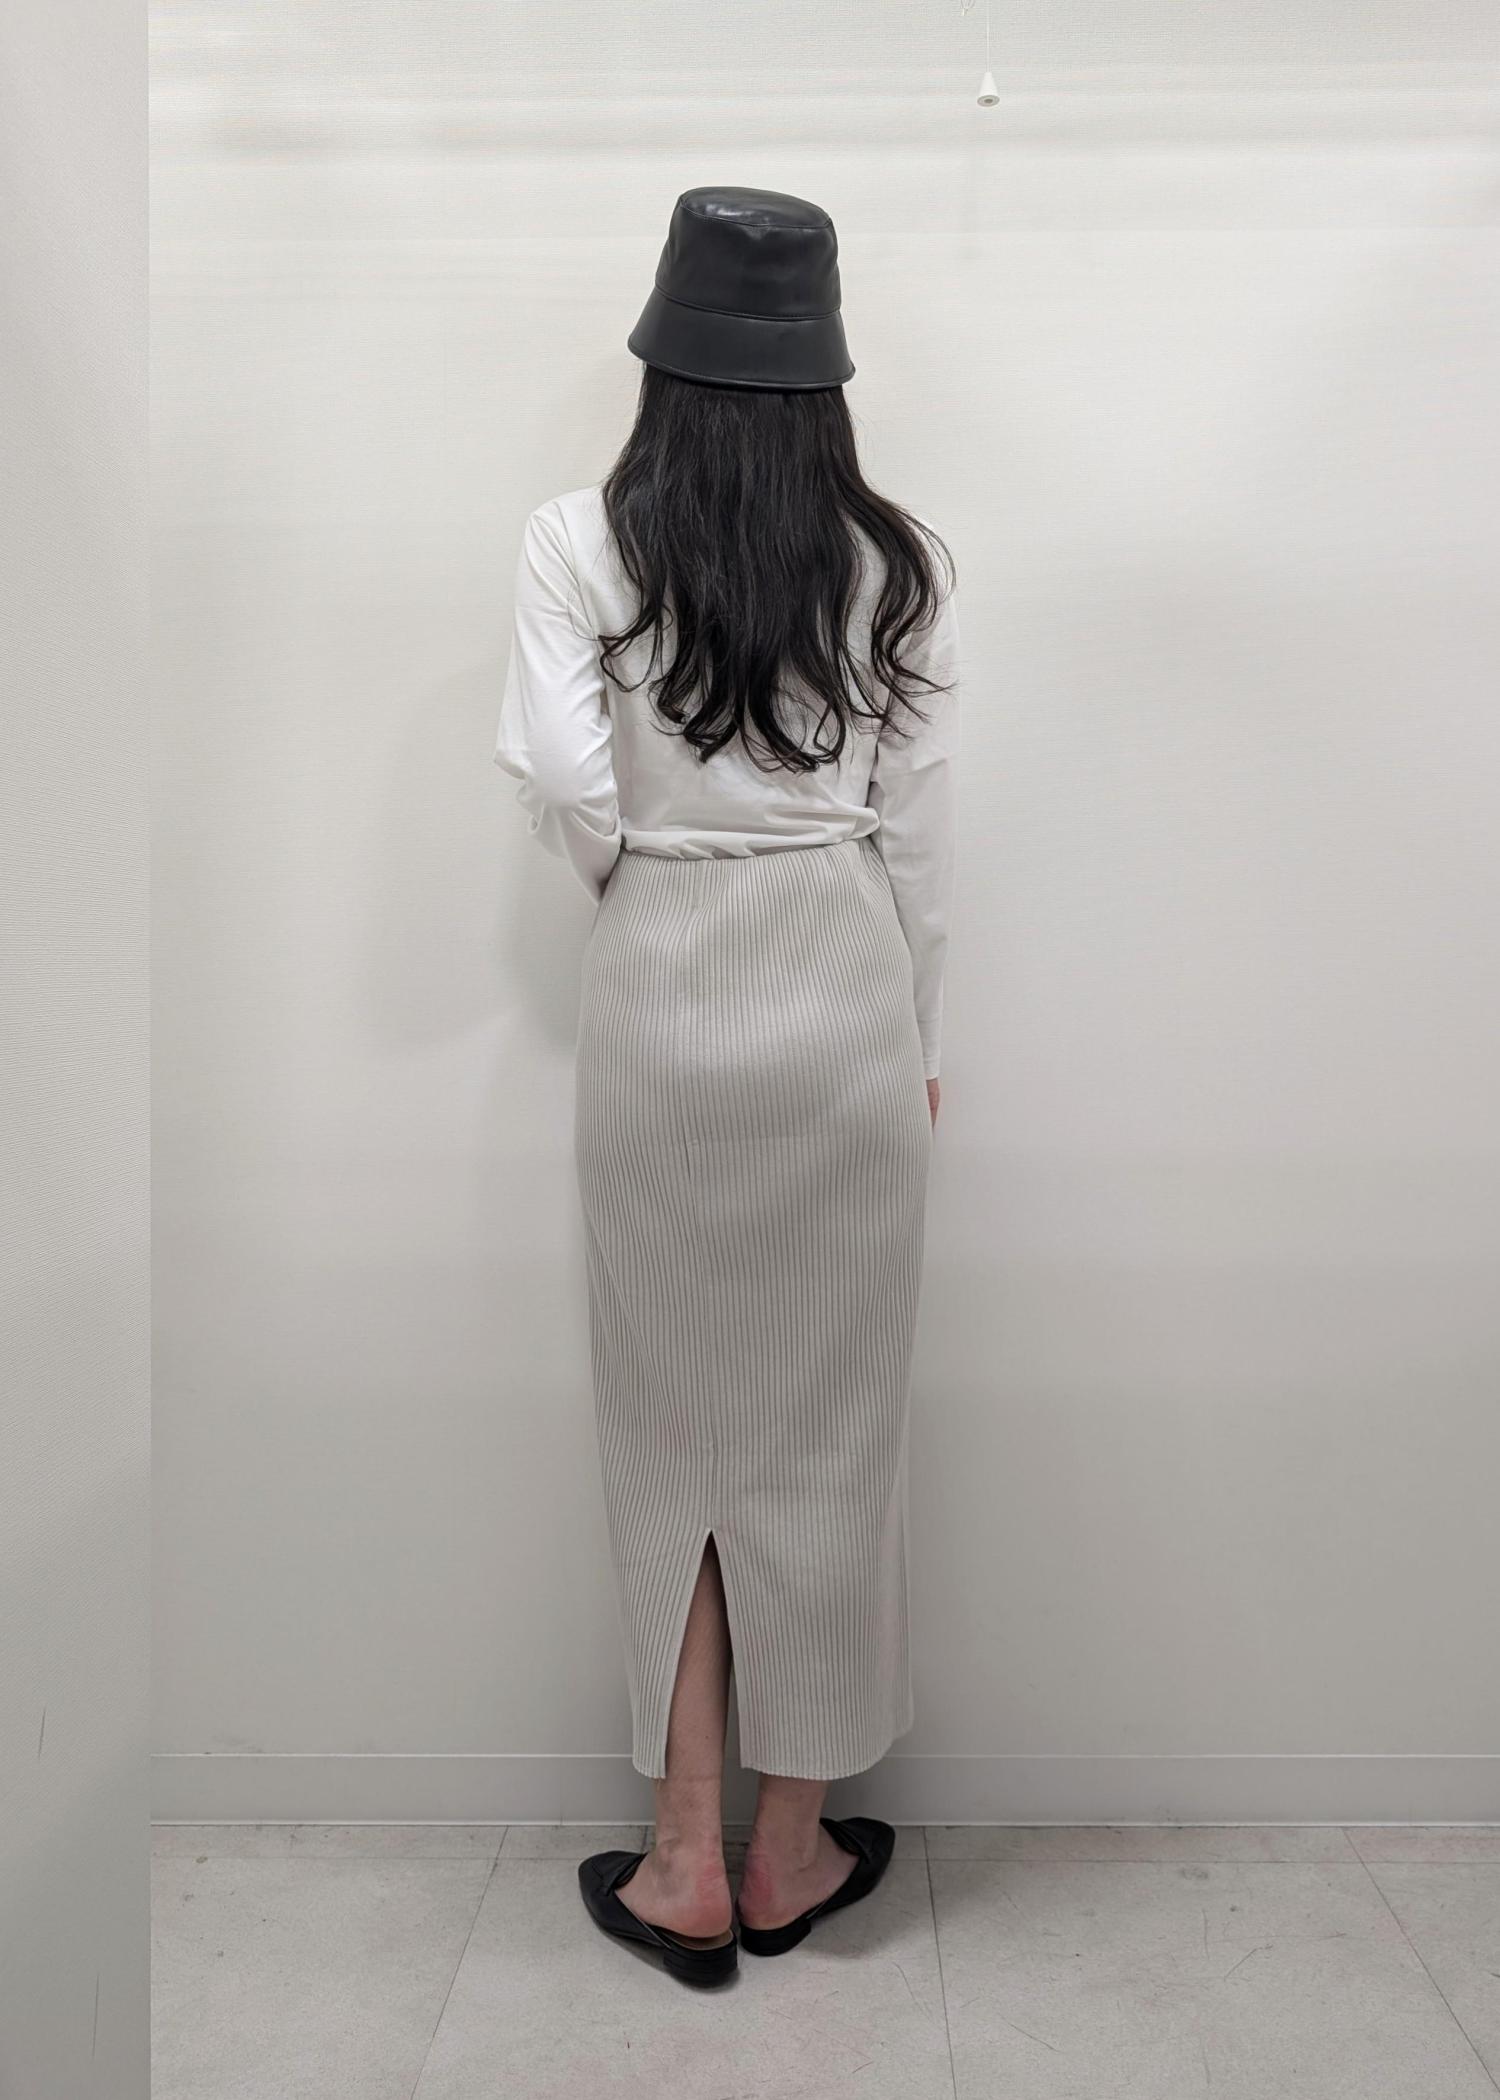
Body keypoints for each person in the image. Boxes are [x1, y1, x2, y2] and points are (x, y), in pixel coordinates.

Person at [494, 185, 961, 1986]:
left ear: (661, 359)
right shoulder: (893, 561)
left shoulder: (574, 540)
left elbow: (562, 778)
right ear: (824, 376)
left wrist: (650, 882)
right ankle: (792, 1847)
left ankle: (682, 1857)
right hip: (842, 986)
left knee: (667, 1427)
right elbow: (920, 837)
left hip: (661, 987)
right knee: (834, 1432)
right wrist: (919, 1044)